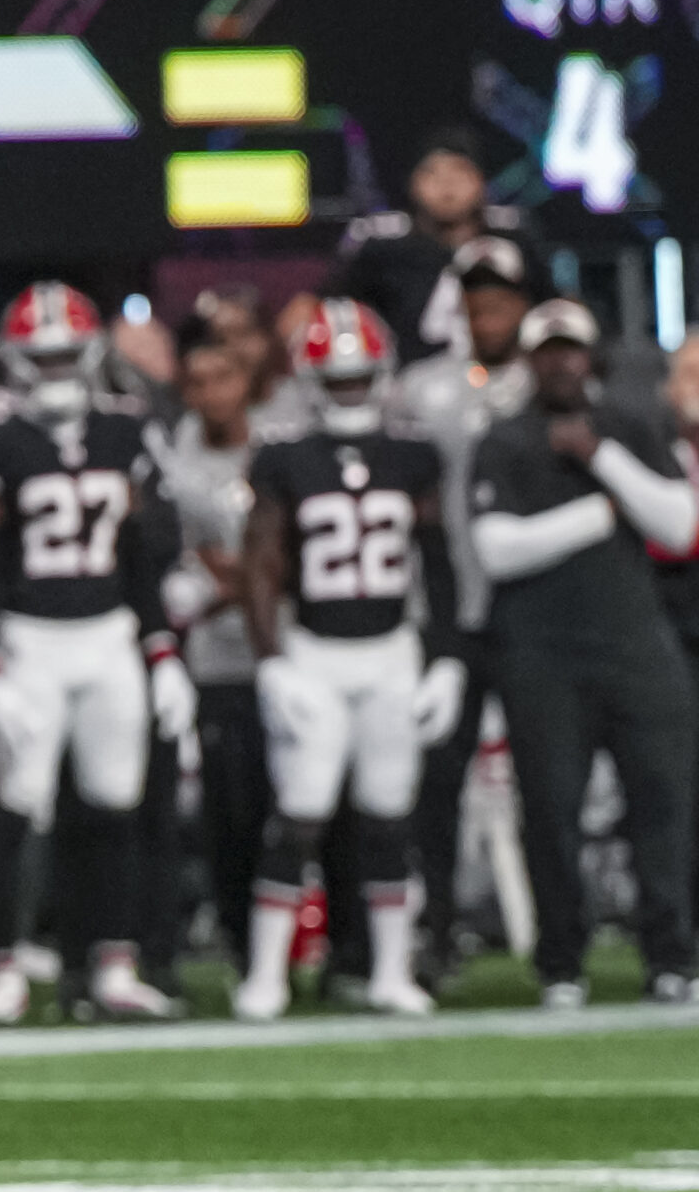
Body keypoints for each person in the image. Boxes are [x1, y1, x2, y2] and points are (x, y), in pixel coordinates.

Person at [0, 282, 193, 1023]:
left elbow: (144, 558)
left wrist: (161, 652)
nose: (54, 370)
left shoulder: (126, 432)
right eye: (40, 356)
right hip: (31, 639)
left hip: (109, 633)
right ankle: (9, 961)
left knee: (114, 804)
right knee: (23, 806)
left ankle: (108, 963)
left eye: (65, 355)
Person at [235, 301, 464, 1021]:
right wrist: (270, 658)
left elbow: (439, 561)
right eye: (336, 378)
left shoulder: (413, 454)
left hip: (391, 649)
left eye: (359, 376)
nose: (349, 388)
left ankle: (394, 970)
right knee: (300, 810)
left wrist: (447, 656)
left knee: (389, 815)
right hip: (317, 652)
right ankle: (267, 970)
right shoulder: (284, 458)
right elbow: (262, 563)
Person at [472, 300, 698, 1005]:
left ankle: (672, 957)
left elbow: (680, 523)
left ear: (590, 356)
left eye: (573, 350)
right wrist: (598, 514)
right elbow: (497, 550)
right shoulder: (506, 439)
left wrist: (601, 458)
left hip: (635, 642)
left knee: (662, 805)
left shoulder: (629, 427)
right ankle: (562, 961)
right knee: (551, 811)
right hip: (543, 652)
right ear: (532, 359)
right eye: (549, 351)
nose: (562, 363)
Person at [389, 236, 539, 972]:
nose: (488, 314)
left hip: (536, 608)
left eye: (501, 300)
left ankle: (559, 935)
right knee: (435, 781)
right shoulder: (421, 387)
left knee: (548, 776)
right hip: (444, 603)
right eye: (476, 300)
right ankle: (437, 928)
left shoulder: (550, 383)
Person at [154, 314, 276, 971]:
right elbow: (180, 571)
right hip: (219, 657)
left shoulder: (281, 446)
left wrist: (246, 573)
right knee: (230, 814)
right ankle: (239, 938)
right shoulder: (178, 460)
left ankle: (335, 944)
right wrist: (253, 575)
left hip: (289, 652)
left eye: (223, 376)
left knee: (304, 806)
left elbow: (283, 558)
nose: (212, 392)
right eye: (197, 381)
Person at [328, 128, 541, 367]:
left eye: (460, 171)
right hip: (402, 386)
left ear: (481, 181)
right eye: (432, 173)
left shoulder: (513, 244)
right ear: (412, 183)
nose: (447, 184)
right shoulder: (384, 248)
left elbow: (552, 311)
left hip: (504, 384)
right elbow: (328, 311)